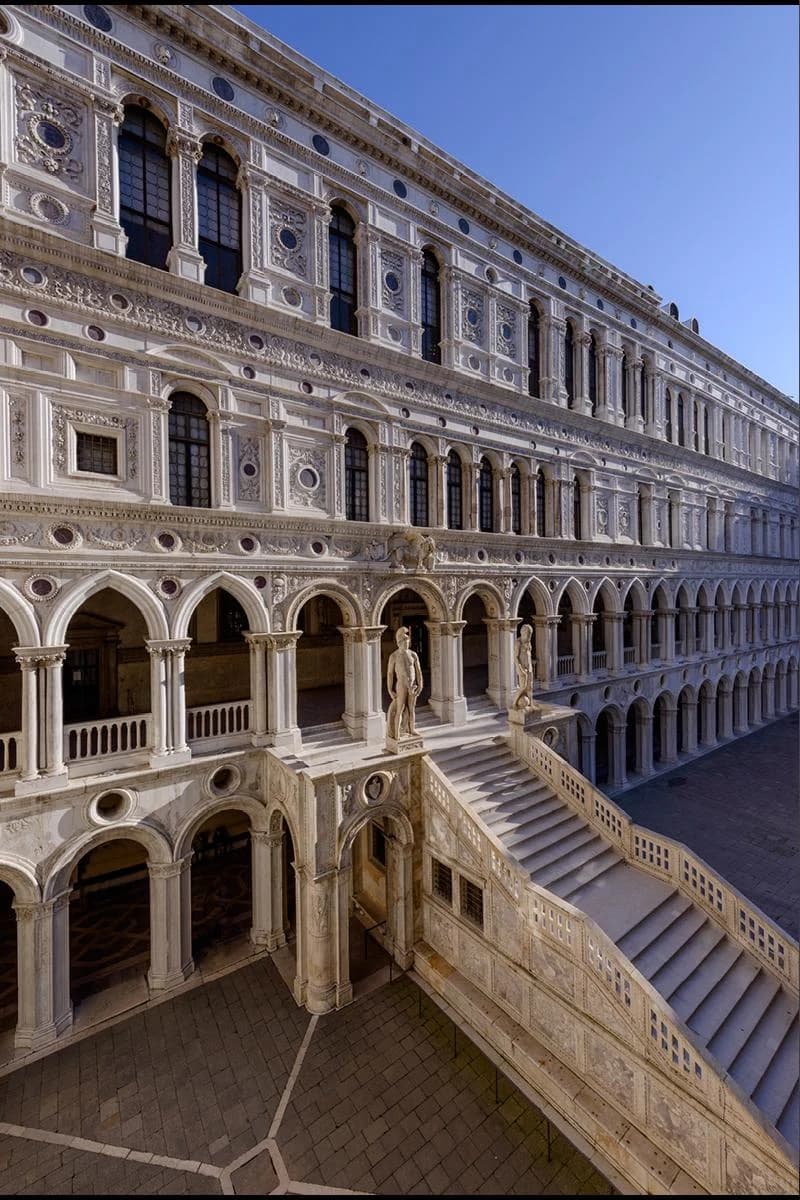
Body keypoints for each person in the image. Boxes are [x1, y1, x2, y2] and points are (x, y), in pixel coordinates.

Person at [386, 626, 423, 739]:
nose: (407, 643)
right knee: (400, 709)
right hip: (401, 685)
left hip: (412, 686)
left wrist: (420, 685)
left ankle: (411, 729)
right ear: (399, 642)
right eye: (405, 641)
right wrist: (390, 689)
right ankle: (396, 734)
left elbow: (418, 671)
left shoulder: (413, 655)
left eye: (408, 641)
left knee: (411, 709)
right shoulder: (394, 656)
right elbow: (390, 674)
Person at [513, 623, 536, 710]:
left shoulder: (528, 643)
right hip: (521, 668)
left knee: (530, 687)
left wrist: (530, 668)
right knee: (522, 687)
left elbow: (528, 656)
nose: (529, 635)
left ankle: (531, 703)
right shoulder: (518, 642)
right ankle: (514, 703)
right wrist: (520, 669)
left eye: (530, 634)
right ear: (523, 633)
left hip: (529, 667)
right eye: (528, 633)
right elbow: (515, 657)